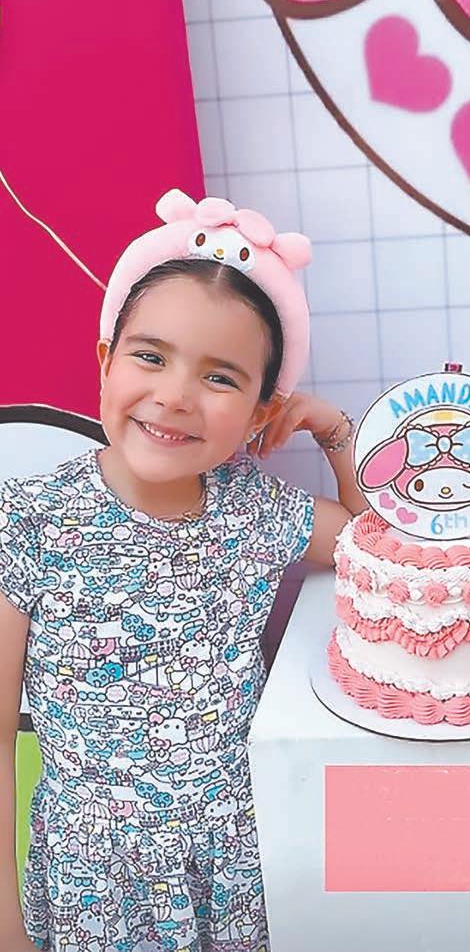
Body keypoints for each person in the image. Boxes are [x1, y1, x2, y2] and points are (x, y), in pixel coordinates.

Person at [0, 190, 367, 952]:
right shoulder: (27, 519)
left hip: (240, 868)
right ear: (105, 361)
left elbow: (376, 547)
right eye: (149, 356)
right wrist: (6, 928)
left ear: (261, 413)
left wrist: (334, 430)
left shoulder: (253, 508)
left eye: (220, 378)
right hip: (96, 888)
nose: (173, 396)